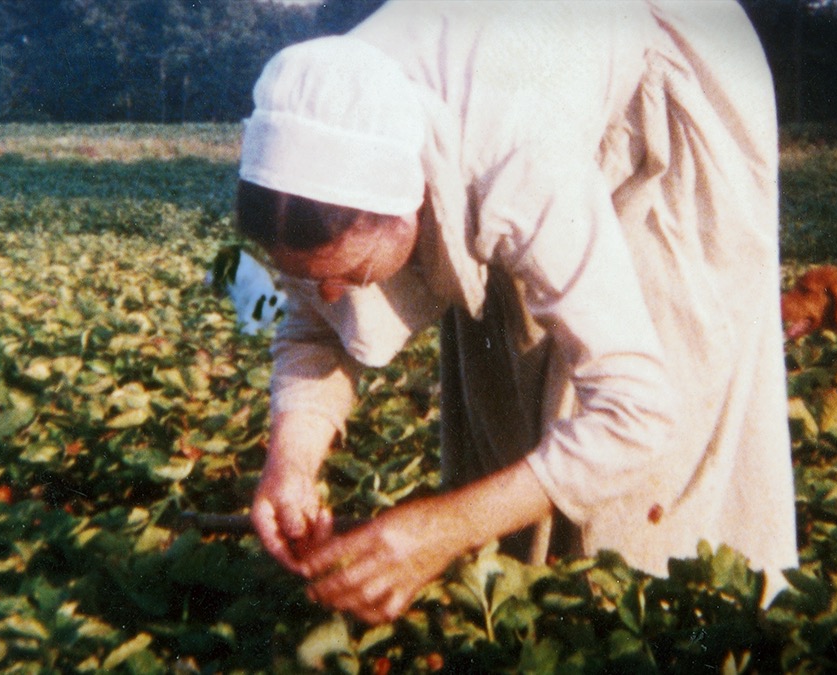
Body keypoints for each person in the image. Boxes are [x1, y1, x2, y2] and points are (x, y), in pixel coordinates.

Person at [235, 0, 798, 625]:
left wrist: (441, 529)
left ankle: (655, 623)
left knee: (670, 386)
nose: (330, 296)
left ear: (407, 210)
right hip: (520, 69)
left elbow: (638, 410)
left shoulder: (521, 163)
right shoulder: (324, 123)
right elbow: (315, 325)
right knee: (504, 384)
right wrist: (290, 463)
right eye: (311, 277)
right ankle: (527, 608)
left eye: (350, 274)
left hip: (660, 58)